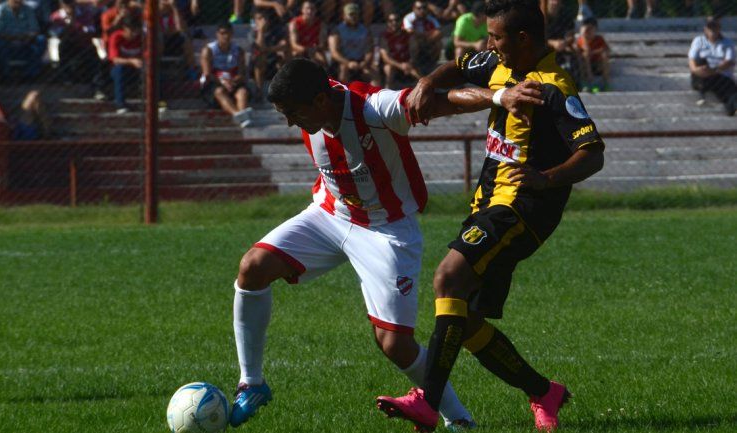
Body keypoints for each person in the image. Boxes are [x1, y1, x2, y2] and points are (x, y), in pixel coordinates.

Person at [228, 57, 546, 430]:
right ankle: (252, 383)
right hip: (330, 215)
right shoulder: (313, 99)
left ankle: (458, 420)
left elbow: (441, 102)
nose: (289, 123)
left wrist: (499, 96)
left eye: (293, 114)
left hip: (387, 231)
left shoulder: (375, 109)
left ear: (319, 101)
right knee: (252, 268)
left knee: (395, 344)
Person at [376, 1, 605, 432]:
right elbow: (457, 66)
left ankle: (427, 402)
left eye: (496, 38)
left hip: (523, 206)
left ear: (522, 40)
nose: (489, 45)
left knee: (447, 278)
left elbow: (592, 154)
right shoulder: (500, 64)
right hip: (489, 203)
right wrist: (426, 83)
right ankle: (544, 391)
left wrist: (545, 177)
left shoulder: (554, 85)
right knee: (465, 320)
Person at [199, 22, 252, 127]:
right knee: (219, 91)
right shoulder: (208, 50)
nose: (225, 36)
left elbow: (241, 73)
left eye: (228, 33)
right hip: (214, 82)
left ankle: (242, 118)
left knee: (242, 92)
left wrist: (233, 81)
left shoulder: (238, 50)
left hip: (232, 81)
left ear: (232, 34)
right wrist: (223, 82)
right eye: (222, 33)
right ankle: (238, 115)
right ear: (217, 34)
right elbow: (208, 74)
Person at [688, 17, 736, 116]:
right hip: (701, 75)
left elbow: (729, 61)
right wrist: (695, 70)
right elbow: (691, 59)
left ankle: (733, 110)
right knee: (700, 60)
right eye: (710, 27)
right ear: (705, 29)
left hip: (720, 75)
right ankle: (701, 88)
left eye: (715, 27)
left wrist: (713, 70)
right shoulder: (698, 40)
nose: (713, 30)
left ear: (719, 28)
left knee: (732, 91)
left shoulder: (728, 43)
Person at [0, 0, 45, 80]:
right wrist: (11, 38)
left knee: (40, 40)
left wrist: (27, 38)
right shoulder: (0, 9)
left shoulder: (28, 9)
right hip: (6, 40)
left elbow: (35, 30)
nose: (18, 1)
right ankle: (5, 75)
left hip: (25, 41)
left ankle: (31, 75)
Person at [48, 0, 99, 84]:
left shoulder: (84, 13)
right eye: (66, 2)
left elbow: (91, 29)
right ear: (61, 4)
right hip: (67, 43)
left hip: (83, 41)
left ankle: (94, 79)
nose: (69, 5)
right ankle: (66, 78)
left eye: (71, 2)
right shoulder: (56, 16)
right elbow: (54, 32)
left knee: (91, 49)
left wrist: (77, 25)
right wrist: (68, 25)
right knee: (63, 46)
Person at [328, 2, 375, 84]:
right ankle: (344, 94)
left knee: (374, 73)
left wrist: (364, 62)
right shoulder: (337, 30)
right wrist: (348, 63)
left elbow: (369, 50)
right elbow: (334, 52)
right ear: (344, 16)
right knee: (343, 69)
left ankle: (378, 94)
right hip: (344, 61)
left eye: (356, 14)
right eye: (351, 14)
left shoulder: (365, 30)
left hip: (360, 61)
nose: (353, 17)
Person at [250, 8, 288, 100]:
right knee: (260, 59)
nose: (262, 21)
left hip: (273, 61)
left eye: (263, 18)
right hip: (258, 66)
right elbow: (259, 48)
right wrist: (261, 31)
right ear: (255, 21)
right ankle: (259, 91)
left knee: (283, 57)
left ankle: (282, 91)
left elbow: (284, 45)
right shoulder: (252, 33)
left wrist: (267, 50)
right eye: (258, 19)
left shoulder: (276, 30)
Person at [108, 17, 142, 114]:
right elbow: (115, 59)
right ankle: (120, 104)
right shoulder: (116, 37)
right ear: (124, 29)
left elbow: (147, 55)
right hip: (120, 68)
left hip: (137, 68)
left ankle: (158, 101)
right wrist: (131, 61)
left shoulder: (141, 38)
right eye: (131, 31)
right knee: (119, 70)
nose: (134, 34)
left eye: (136, 31)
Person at [379, 12, 419, 89]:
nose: (394, 23)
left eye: (396, 20)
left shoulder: (408, 34)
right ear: (387, 23)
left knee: (418, 74)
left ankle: (422, 92)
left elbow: (414, 51)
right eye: (391, 21)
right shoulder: (384, 36)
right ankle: (387, 92)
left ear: (401, 21)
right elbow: (386, 58)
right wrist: (401, 66)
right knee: (389, 69)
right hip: (393, 64)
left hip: (407, 63)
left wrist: (410, 63)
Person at [403, 0, 443, 76]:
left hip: (427, 41)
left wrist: (427, 37)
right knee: (414, 40)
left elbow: (439, 32)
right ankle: (414, 63)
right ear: (414, 8)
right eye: (419, 8)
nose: (422, 10)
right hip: (411, 44)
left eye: (424, 8)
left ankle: (433, 62)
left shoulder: (430, 18)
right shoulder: (408, 18)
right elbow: (409, 31)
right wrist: (427, 34)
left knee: (439, 43)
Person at [288, 1, 327, 67]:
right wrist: (306, 50)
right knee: (296, 55)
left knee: (322, 61)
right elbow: (294, 44)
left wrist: (315, 48)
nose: (309, 11)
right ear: (302, 10)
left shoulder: (321, 24)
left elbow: (322, 44)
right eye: (307, 8)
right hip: (300, 49)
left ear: (316, 11)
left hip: (314, 50)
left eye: (312, 9)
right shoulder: (294, 23)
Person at [576, 17, 609, 92]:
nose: (589, 32)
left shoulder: (599, 39)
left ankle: (606, 82)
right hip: (585, 64)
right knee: (585, 55)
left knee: (604, 55)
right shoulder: (581, 40)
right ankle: (588, 83)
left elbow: (606, 49)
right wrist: (584, 38)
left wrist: (594, 52)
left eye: (591, 29)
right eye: (587, 30)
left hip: (597, 63)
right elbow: (584, 50)